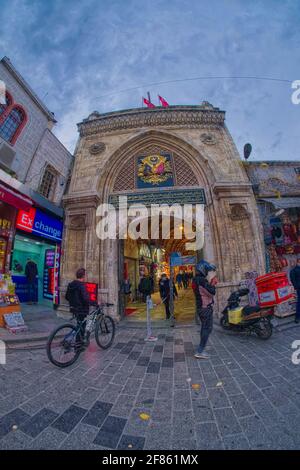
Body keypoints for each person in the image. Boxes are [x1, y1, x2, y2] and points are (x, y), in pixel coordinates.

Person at [192, 261, 217, 359]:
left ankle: (201, 348)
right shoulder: (202, 280)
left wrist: (210, 283)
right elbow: (211, 292)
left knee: (205, 328)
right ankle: (200, 351)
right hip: (205, 308)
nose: (207, 272)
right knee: (207, 328)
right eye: (206, 270)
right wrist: (213, 283)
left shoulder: (195, 280)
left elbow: (203, 291)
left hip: (201, 307)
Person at [65, 268, 91, 349]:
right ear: (83, 276)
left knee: (79, 325)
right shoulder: (82, 285)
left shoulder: (71, 284)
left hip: (73, 308)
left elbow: (66, 297)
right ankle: (79, 344)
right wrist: (95, 303)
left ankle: (78, 342)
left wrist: (74, 302)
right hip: (82, 310)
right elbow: (86, 299)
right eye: (85, 275)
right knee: (82, 326)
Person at [290, 258, 300, 324]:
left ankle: (297, 317)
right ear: (298, 262)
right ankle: (297, 317)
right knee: (299, 303)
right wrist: (296, 286)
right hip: (299, 288)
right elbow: (292, 279)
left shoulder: (293, 270)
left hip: (298, 287)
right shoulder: (294, 270)